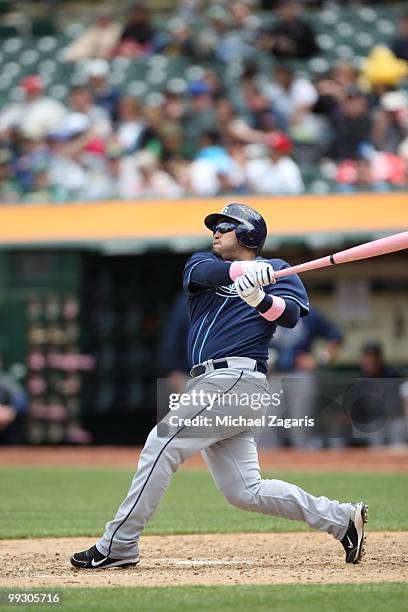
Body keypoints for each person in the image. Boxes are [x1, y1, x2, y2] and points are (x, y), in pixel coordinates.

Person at [71, 203, 367, 570]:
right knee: (245, 491)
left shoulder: (279, 271)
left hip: (237, 379)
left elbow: (290, 316)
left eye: (226, 226)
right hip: (209, 382)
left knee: (162, 443)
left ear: (248, 235)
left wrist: (260, 298)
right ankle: (341, 519)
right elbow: (208, 273)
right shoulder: (201, 265)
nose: (216, 231)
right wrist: (245, 271)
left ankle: (119, 544)